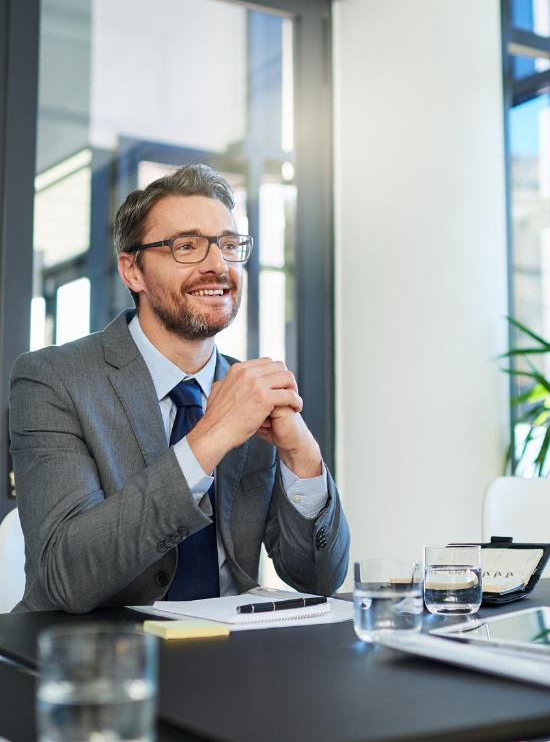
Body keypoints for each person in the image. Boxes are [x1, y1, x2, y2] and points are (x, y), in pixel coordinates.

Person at [11, 164, 349, 613]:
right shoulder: (51, 379)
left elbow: (318, 579)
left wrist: (302, 458)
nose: (218, 265)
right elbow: (67, 577)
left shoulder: (249, 390)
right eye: (186, 246)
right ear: (133, 271)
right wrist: (210, 439)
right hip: (97, 660)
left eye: (229, 245)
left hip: (232, 658)